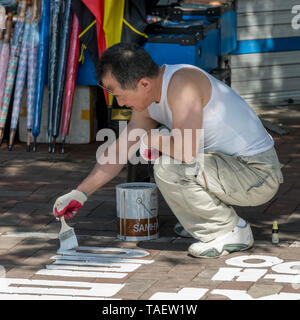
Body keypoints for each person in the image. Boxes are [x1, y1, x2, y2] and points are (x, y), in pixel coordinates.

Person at [53, 42, 283, 258]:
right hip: (229, 168)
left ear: (143, 83)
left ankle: (229, 231)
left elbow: (185, 151)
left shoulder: (183, 84)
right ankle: (205, 219)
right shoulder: (148, 99)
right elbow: (119, 152)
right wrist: (80, 193)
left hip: (258, 174)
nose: (120, 103)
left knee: (169, 166)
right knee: (168, 155)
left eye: (118, 94)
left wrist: (153, 138)